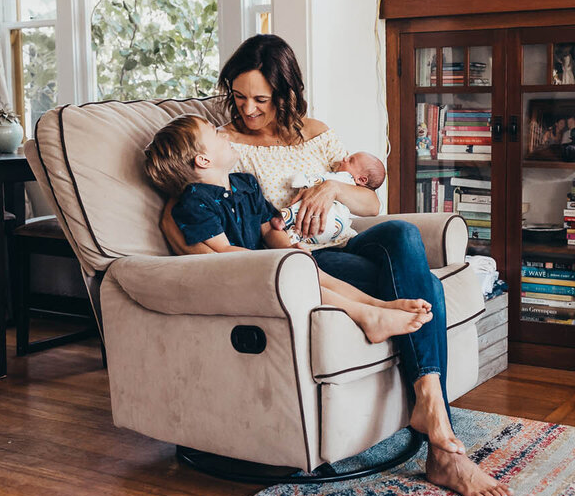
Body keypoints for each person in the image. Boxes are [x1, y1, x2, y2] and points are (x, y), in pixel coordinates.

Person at [160, 34, 511, 496]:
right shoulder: (225, 143)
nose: (248, 110)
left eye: (261, 99)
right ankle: (441, 440)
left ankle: (431, 413)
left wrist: (331, 188)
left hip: (347, 241)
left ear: (286, 94)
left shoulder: (315, 132)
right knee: (425, 284)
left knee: (403, 234)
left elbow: (369, 199)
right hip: (303, 259)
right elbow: (182, 204)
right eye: (240, 97)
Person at [143, 114, 432, 344]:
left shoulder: (245, 183)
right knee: (307, 281)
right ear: (203, 160)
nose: (223, 132)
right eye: (213, 132)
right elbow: (222, 252)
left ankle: (378, 306)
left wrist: (290, 249)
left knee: (314, 270)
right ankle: (368, 317)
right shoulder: (193, 204)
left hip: (272, 262)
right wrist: (272, 261)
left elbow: (269, 228)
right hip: (245, 273)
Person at [273, 151, 386, 246]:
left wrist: (304, 180)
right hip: (334, 230)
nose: (344, 158)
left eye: (351, 160)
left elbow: (321, 179)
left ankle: (283, 219)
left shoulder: (344, 177)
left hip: (326, 224)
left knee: (303, 204)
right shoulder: (353, 193)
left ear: (362, 180)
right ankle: (296, 236)